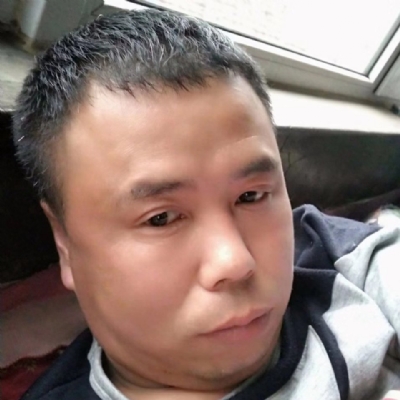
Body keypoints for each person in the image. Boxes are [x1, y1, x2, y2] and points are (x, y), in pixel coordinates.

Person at [12, 8, 400, 400]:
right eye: (161, 218)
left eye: (250, 196)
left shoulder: (334, 255)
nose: (235, 261)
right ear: (65, 243)